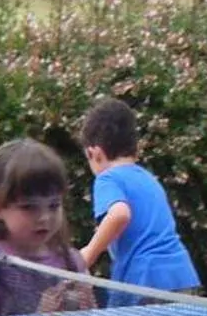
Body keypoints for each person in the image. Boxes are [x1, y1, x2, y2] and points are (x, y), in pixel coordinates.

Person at [0, 139, 97, 316]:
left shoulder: (72, 261)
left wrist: (84, 308)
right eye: (29, 207)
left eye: (53, 205)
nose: (44, 217)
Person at [77, 98, 200, 294]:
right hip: (180, 273)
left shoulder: (107, 179)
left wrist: (87, 255)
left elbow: (119, 214)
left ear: (95, 153)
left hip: (143, 277)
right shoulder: (149, 179)